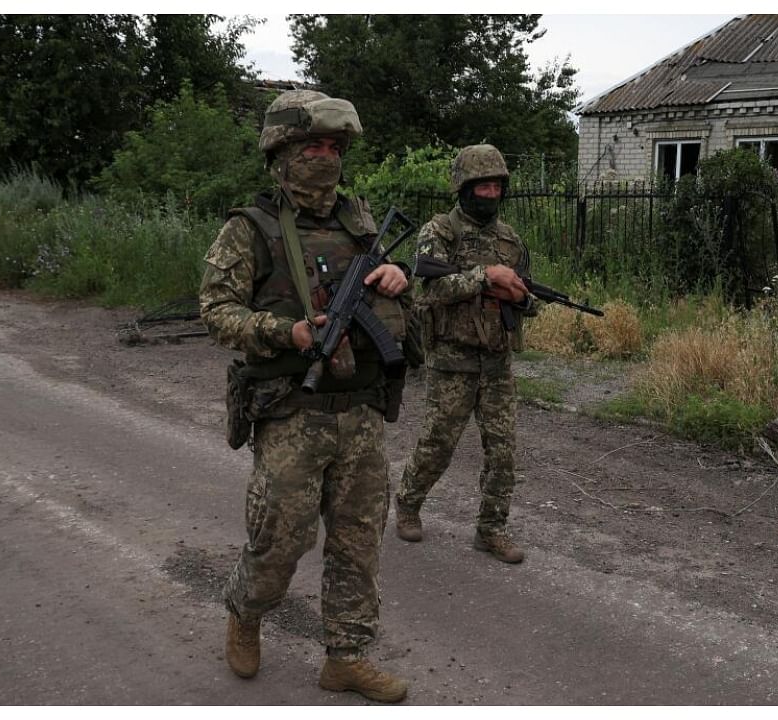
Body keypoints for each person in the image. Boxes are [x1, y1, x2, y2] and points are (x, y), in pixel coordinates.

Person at [198, 88, 410, 703]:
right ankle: (246, 612)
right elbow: (215, 312)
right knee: (281, 541)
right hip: (292, 410)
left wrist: (395, 282)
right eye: (310, 145)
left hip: (360, 410)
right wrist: (281, 330)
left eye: (332, 146)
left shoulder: (359, 219)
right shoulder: (249, 229)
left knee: (358, 542)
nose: (323, 157)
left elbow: (394, 304)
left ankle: (346, 656)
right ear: (281, 153)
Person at [394, 144, 535, 564]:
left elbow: (527, 295)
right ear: (464, 188)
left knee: (503, 451)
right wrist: (484, 277)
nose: (490, 194)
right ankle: (408, 503)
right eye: (482, 186)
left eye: (496, 186)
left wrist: (523, 299)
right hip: (452, 360)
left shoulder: (510, 240)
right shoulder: (439, 232)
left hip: (496, 360)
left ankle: (491, 529)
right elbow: (429, 289)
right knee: (438, 443)